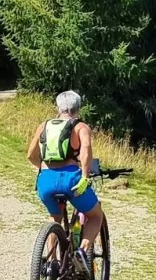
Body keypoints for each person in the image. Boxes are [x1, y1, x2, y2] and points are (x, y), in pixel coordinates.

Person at [26, 90, 105, 266]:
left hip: (45, 181)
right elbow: (85, 152)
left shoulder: (44, 126)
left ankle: (52, 262)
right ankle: (81, 252)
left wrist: (43, 168)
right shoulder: (81, 127)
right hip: (71, 180)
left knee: (55, 217)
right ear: (79, 108)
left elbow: (31, 155)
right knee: (95, 215)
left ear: (58, 107)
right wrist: (84, 176)